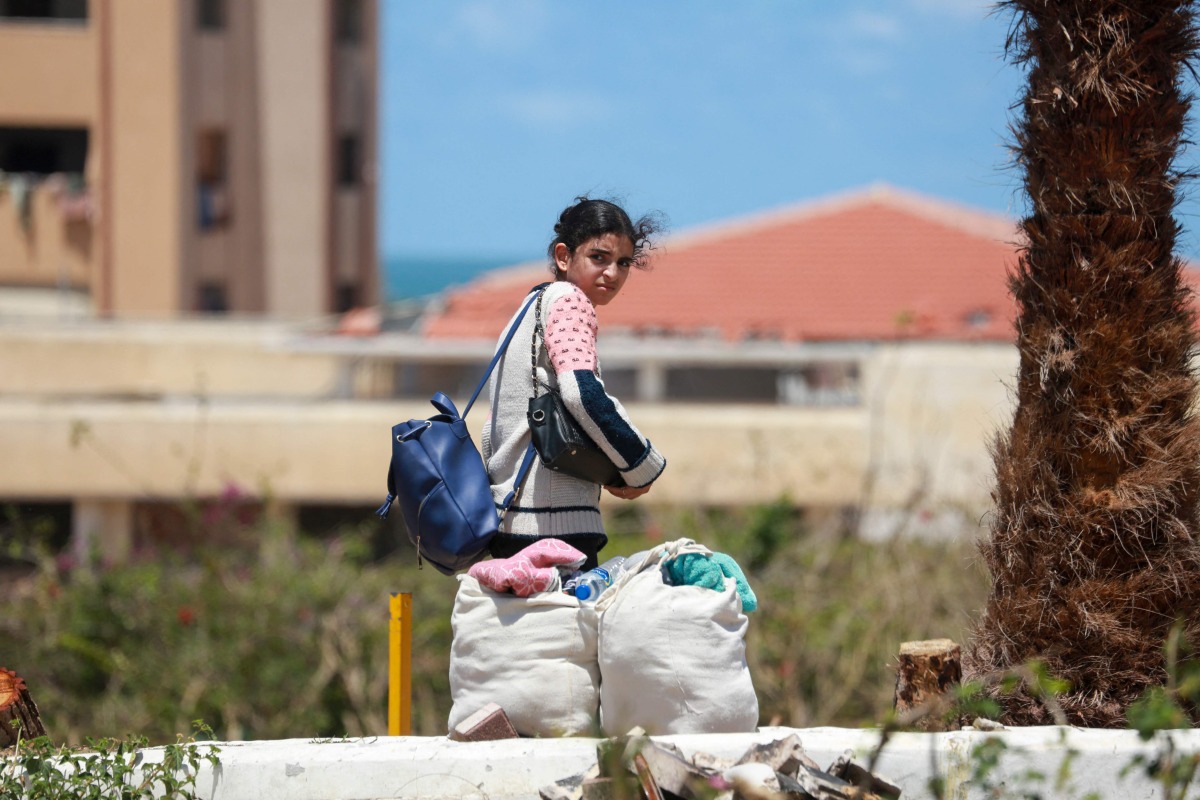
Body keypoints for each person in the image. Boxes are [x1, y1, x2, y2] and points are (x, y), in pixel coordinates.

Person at [481, 197, 667, 570]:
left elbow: (495, 427)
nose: (612, 273)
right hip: (554, 528)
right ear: (564, 257)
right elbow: (582, 393)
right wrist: (641, 466)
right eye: (599, 258)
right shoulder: (569, 301)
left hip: (508, 521)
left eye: (623, 263)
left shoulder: (528, 308)